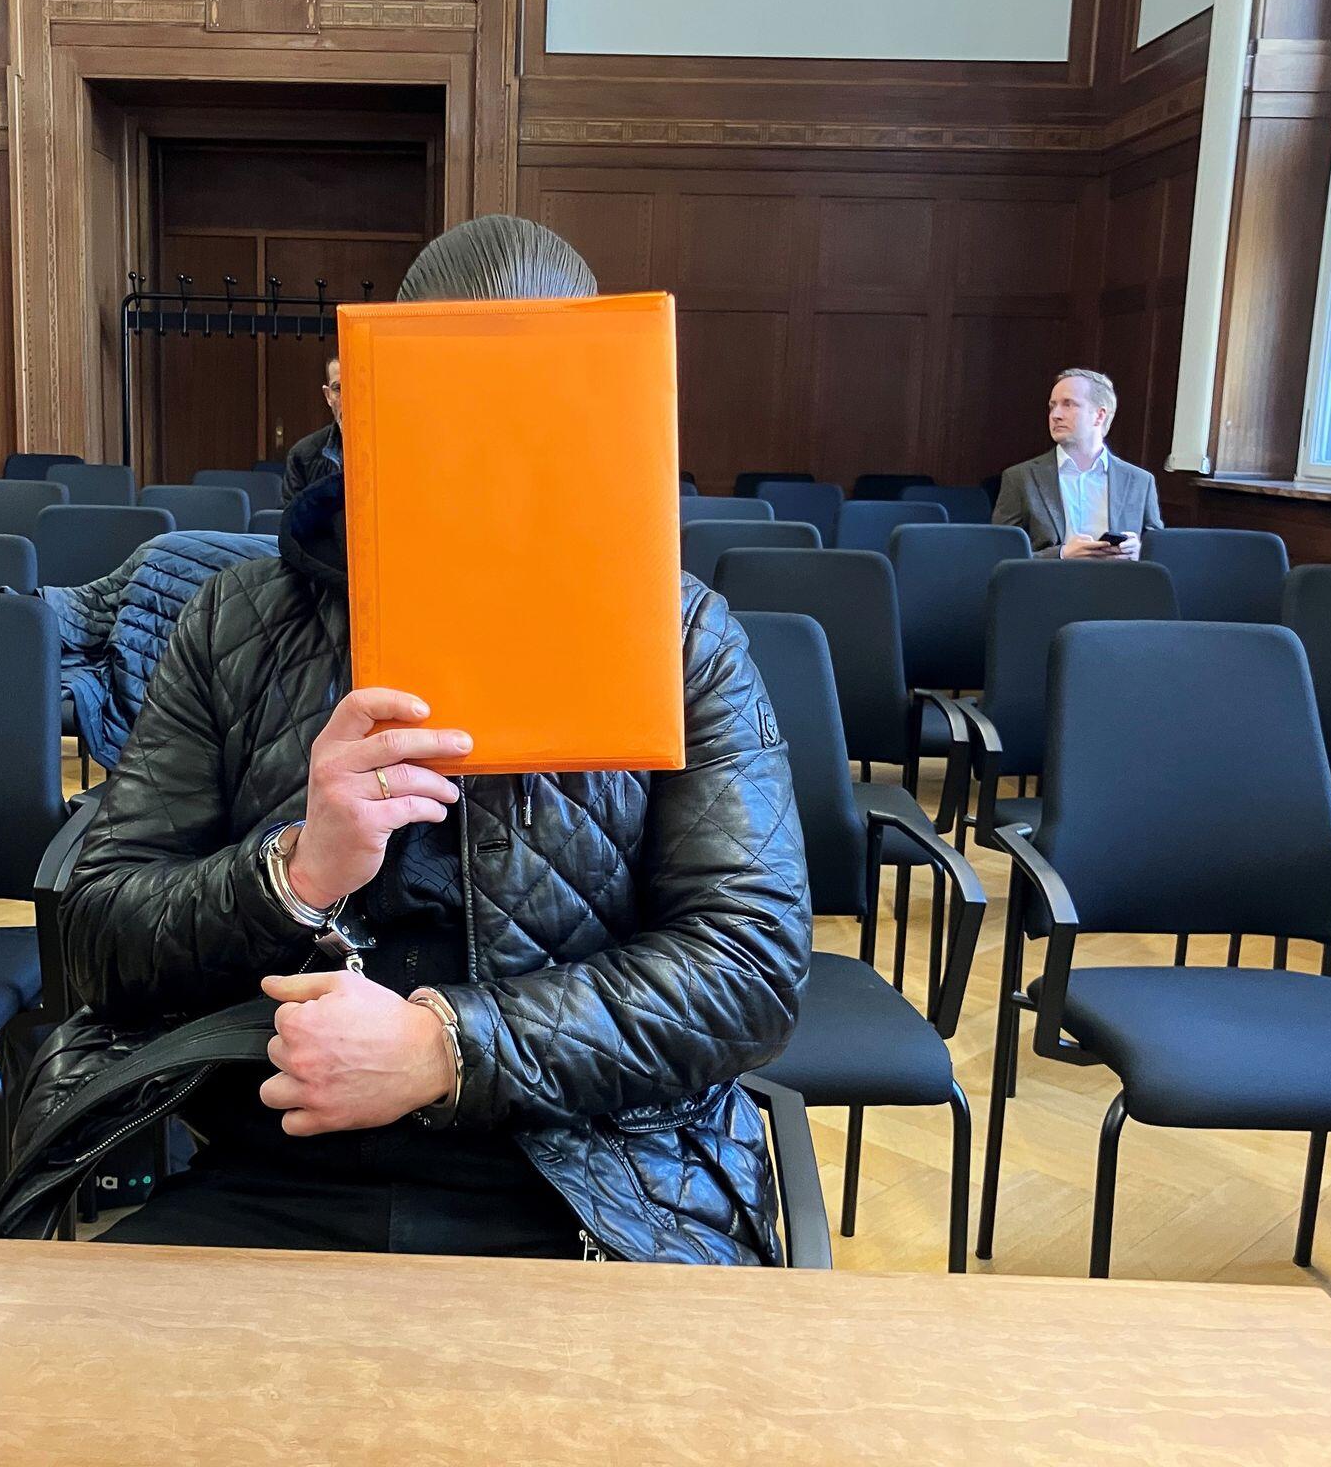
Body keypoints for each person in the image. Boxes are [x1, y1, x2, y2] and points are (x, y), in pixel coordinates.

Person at [60, 214, 812, 1264]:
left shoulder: (680, 635)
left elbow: (748, 964)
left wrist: (442, 1049)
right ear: (355, 401)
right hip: (270, 1160)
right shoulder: (233, 621)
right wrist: (292, 874)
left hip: (592, 1180)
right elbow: (98, 940)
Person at [992, 368, 1163, 559]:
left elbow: (1159, 552)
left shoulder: (1140, 481)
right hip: (1050, 577)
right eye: (1052, 406)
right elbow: (1000, 554)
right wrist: (1061, 554)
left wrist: (1139, 550)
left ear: (1099, 415)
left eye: (1068, 404)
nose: (1055, 415)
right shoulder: (1020, 478)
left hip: (1117, 576)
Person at [282, 355, 341, 503]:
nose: (348, 398)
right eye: (338, 389)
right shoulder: (302, 456)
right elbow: (292, 516)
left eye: (358, 387)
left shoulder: (395, 448)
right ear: (328, 396)